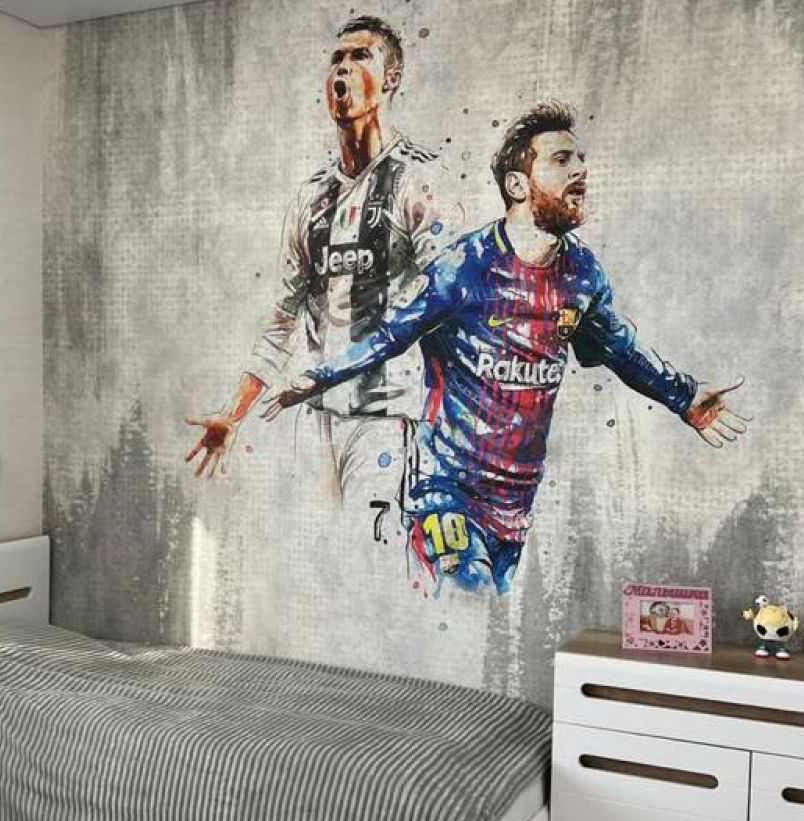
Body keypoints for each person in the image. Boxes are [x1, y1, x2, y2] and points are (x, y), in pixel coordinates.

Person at [262, 102, 748, 593]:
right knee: (467, 592)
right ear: (518, 185)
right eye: (561, 159)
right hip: (447, 491)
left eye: (581, 159)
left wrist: (684, 397)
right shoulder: (464, 267)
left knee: (492, 603)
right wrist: (317, 377)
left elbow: (620, 349)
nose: (581, 170)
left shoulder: (581, 275)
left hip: (515, 504)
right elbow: (391, 334)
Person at [185, 15, 455, 509]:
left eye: (360, 57)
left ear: (391, 78)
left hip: (386, 419)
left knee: (366, 549)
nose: (343, 70)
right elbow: (283, 321)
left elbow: (447, 308)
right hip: (314, 418)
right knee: (309, 545)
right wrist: (232, 414)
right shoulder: (311, 198)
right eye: (336, 60)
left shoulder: (420, 180)